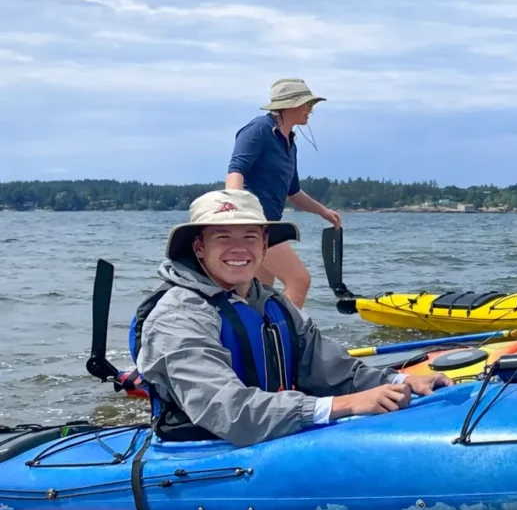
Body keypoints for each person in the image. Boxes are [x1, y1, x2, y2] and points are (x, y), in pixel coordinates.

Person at [134, 189, 450, 448]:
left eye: (250, 237)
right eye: (223, 238)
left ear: (264, 244)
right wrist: (347, 405)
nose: (239, 249)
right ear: (199, 247)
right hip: (208, 449)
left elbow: (333, 371)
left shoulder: (273, 303)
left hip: (273, 438)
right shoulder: (178, 316)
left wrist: (401, 381)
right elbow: (230, 411)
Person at [226, 78, 341, 308]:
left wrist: (324, 212)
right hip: (256, 225)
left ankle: (257, 340)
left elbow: (294, 192)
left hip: (269, 225)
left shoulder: (290, 143)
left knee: (258, 295)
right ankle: (291, 340)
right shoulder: (258, 129)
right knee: (299, 280)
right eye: (307, 104)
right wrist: (238, 215)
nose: (310, 110)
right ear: (289, 106)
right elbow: (235, 171)